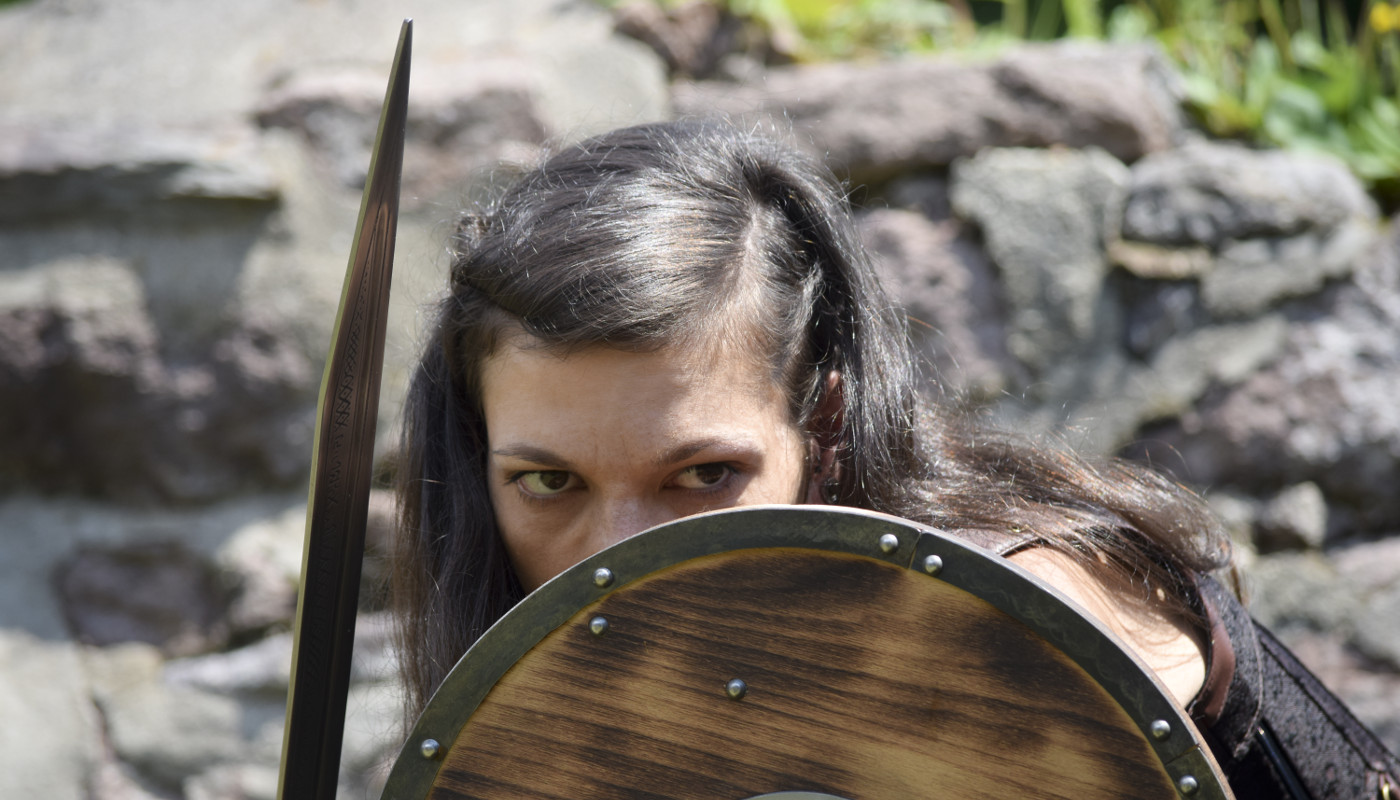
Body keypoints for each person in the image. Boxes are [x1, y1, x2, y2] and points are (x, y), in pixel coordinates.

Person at [391, 119, 1399, 798]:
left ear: (820, 424)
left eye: (701, 474)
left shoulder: (1026, 611)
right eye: (547, 481)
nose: (611, 552)